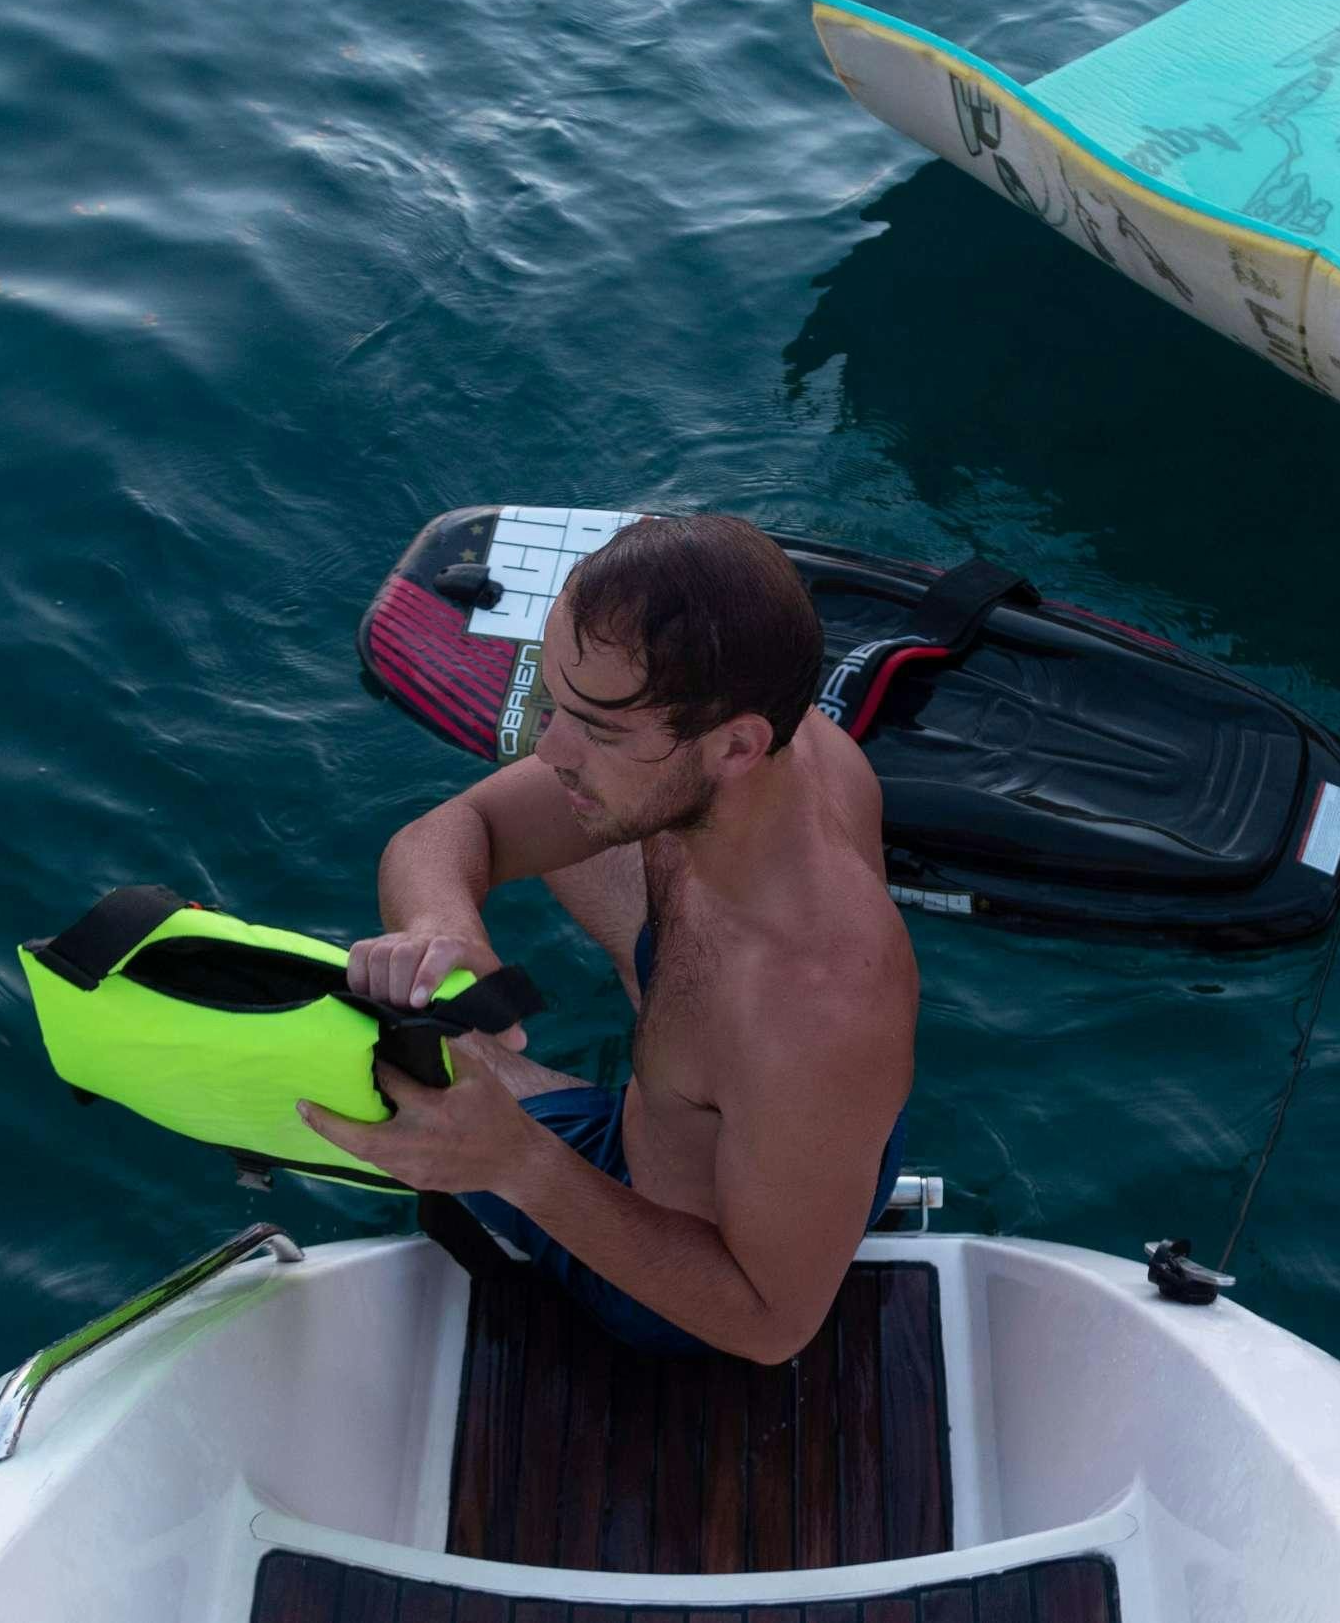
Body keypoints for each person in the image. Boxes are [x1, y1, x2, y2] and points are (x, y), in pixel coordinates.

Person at [298, 514, 916, 1362]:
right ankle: (684, 1078)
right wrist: (444, 927)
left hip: (677, 1278)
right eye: (555, 702)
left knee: (366, 1051)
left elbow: (772, 1327)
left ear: (736, 744)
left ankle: (619, 1100)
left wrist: (515, 1164)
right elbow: (455, 829)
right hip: (783, 1118)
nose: (550, 747)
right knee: (582, 837)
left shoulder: (818, 1008)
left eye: (598, 727)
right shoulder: (785, 746)